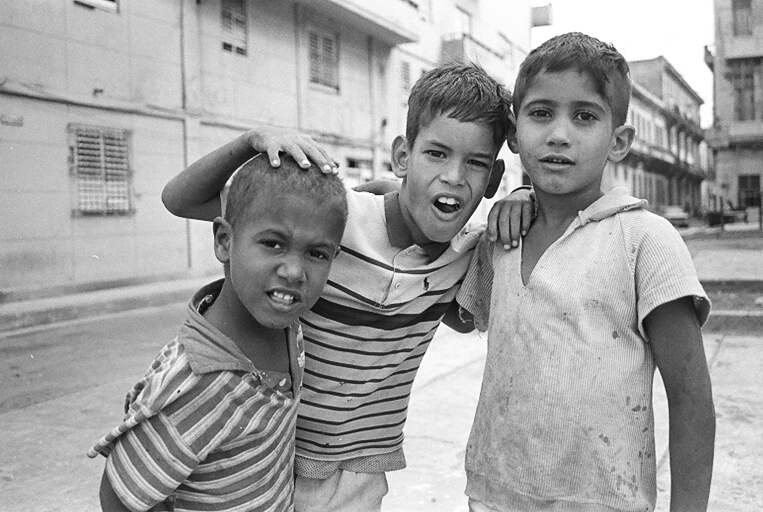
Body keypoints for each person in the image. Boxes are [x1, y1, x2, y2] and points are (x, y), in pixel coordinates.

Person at [161, 62, 534, 512]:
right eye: (436, 153)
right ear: (402, 156)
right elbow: (180, 200)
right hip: (272, 453)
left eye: (474, 163)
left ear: (492, 180)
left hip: (361, 472)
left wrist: (527, 201)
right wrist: (249, 142)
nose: (454, 176)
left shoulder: (467, 254)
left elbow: (469, 315)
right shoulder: (337, 217)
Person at [456, 32, 716, 512]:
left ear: (619, 141)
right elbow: (451, 309)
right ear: (513, 135)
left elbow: (691, 400)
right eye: (540, 113)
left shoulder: (646, 241)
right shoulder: (502, 238)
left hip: (605, 500)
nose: (559, 133)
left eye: (584, 116)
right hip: (494, 495)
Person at [88, 154, 348, 512]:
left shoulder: (287, 324)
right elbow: (119, 496)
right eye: (273, 243)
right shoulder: (198, 379)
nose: (293, 271)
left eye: (316, 253)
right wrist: (247, 142)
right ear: (225, 241)